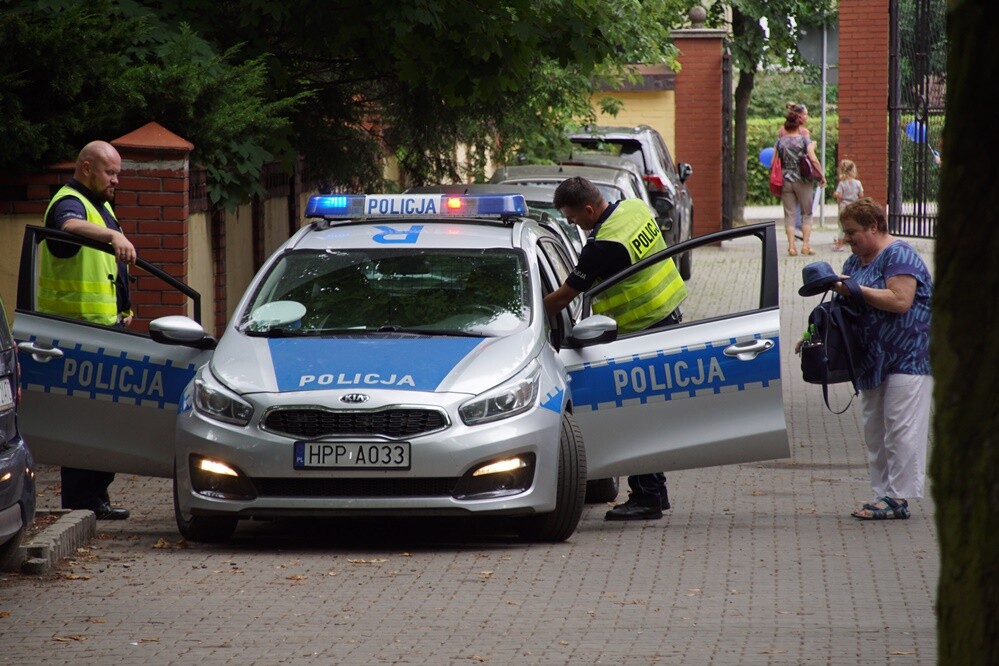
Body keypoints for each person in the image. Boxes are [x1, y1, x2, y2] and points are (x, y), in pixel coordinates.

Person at [543, 176, 687, 521]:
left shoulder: (602, 246)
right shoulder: (635, 208)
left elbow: (563, 297)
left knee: (637, 417)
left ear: (589, 209)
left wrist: (528, 314)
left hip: (642, 329)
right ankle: (655, 493)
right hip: (668, 313)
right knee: (648, 414)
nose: (572, 224)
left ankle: (648, 497)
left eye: (574, 218)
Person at [40, 140, 136, 520]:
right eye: (110, 172)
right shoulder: (70, 201)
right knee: (86, 423)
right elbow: (67, 226)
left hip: (103, 329)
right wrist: (114, 236)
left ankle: (95, 498)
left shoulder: (102, 204)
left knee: (103, 421)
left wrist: (124, 309)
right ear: (85, 167)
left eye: (117, 173)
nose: (116, 180)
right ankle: (83, 502)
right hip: (76, 333)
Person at [831, 198, 932, 520]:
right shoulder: (854, 263)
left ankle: (898, 498)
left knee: (900, 428)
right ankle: (881, 494)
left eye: (853, 232)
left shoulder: (899, 254)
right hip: (871, 359)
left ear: (873, 226)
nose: (848, 239)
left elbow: (901, 300)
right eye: (846, 233)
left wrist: (856, 290)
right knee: (875, 429)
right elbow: (844, 306)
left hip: (909, 357)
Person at [776, 107, 825, 256]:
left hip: (786, 180)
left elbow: (774, 162)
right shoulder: (804, 140)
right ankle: (805, 245)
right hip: (803, 180)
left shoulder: (780, 142)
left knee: (790, 214)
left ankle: (791, 247)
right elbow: (813, 159)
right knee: (806, 213)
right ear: (798, 125)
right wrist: (821, 175)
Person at [832, 160, 864, 251]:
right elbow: (861, 195)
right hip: (854, 206)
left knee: (842, 226)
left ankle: (840, 245)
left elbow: (838, 194)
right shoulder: (858, 183)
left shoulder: (842, 183)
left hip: (844, 207)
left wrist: (836, 195)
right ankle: (857, 242)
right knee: (855, 225)